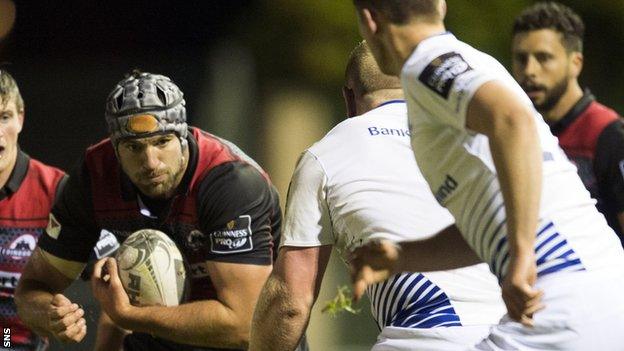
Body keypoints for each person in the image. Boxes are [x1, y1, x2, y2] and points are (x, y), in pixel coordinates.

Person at [350, 0, 624, 349]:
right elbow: (492, 224)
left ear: (370, 20)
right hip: (605, 293)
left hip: (557, 302)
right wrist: (402, 257)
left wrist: (522, 256)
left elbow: (512, 120)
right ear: (441, 6)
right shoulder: (473, 62)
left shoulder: (426, 65)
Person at [249, 41, 505, 351]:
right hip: (522, 334)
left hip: (429, 334)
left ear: (348, 97)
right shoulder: (470, 142)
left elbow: (289, 302)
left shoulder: (326, 155)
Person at [15, 71, 282, 351]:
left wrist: (128, 315)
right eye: (134, 147)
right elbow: (30, 290)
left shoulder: (229, 183)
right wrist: (49, 314)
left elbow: (246, 326)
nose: (150, 162)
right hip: (155, 338)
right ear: (116, 150)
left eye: (162, 142)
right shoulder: (95, 176)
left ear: (183, 136)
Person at [511, 2, 624, 243]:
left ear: (576, 63)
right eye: (521, 59)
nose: (529, 70)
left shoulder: (610, 135)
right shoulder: (519, 134)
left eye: (544, 58)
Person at [0, 70, 66, 350]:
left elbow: (113, 274)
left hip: (7, 337)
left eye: (4, 117)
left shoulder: (55, 191)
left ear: (21, 118)